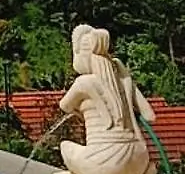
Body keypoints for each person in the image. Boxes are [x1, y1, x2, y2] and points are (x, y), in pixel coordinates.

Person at [59, 25, 155, 174]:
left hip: (105, 160)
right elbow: (150, 116)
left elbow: (64, 106)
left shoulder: (83, 83)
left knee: (65, 147)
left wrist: (81, 113)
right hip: (139, 157)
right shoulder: (124, 81)